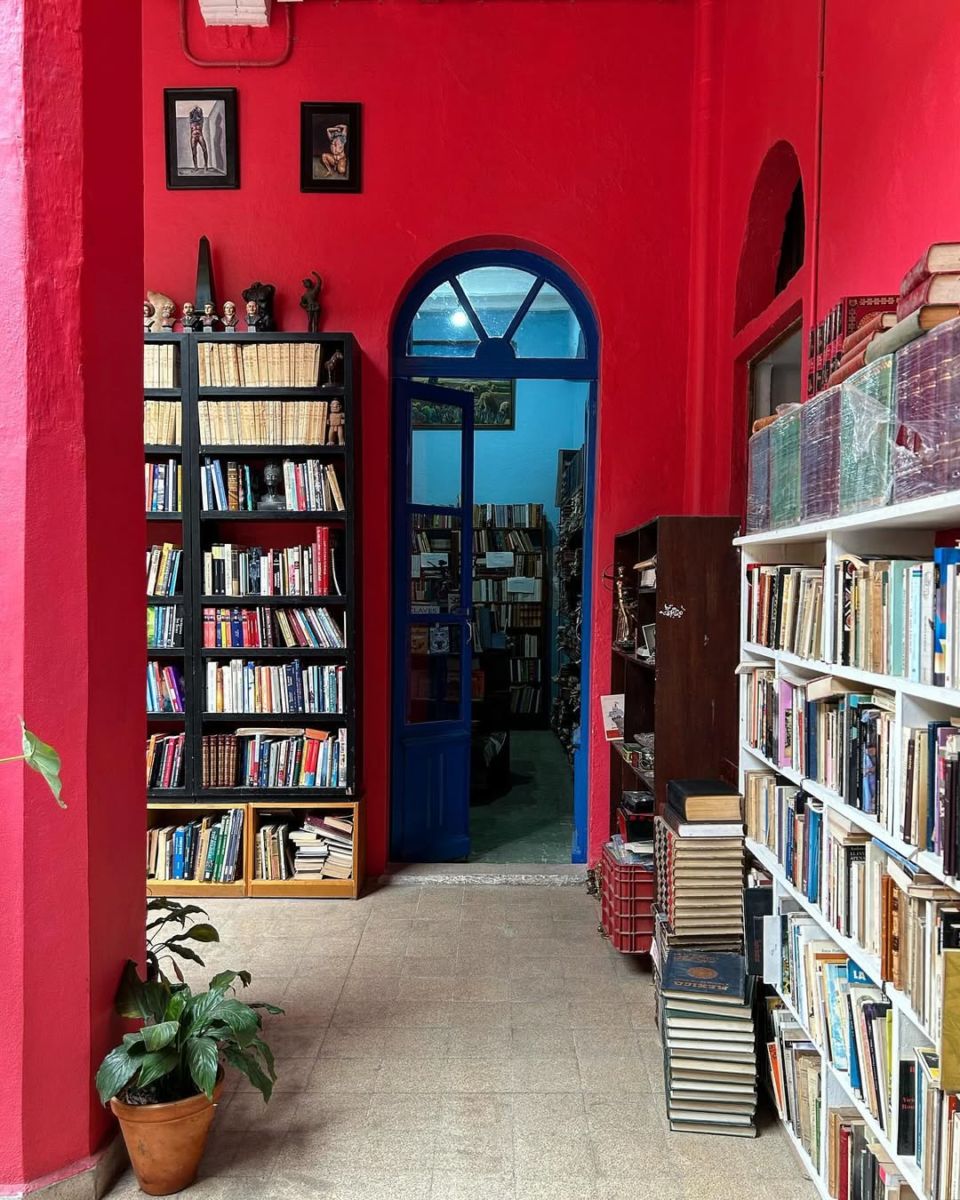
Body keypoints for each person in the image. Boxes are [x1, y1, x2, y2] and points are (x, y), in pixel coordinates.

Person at [188, 104, 209, 171]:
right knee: (194, 152)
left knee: (204, 149)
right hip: (193, 137)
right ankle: (195, 167)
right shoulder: (191, 121)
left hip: (200, 136)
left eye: (196, 112)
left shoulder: (200, 121)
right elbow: (190, 114)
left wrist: (198, 108)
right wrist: (194, 109)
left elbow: (201, 114)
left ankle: (206, 165)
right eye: (194, 112)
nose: (195, 114)